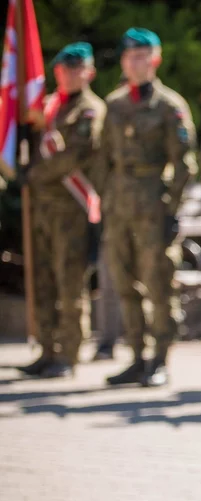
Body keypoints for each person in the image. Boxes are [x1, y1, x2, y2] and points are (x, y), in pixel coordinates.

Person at [96, 28, 197, 388]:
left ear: (155, 60)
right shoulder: (114, 105)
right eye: (130, 57)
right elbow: (101, 157)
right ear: (124, 62)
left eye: (142, 56)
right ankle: (136, 356)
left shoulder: (169, 106)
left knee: (158, 283)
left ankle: (160, 358)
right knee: (123, 281)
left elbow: (184, 164)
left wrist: (171, 207)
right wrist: (104, 198)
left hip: (153, 205)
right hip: (119, 205)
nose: (135, 63)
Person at [19, 42, 105, 379]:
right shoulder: (49, 107)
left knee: (69, 283)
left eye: (76, 68)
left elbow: (76, 155)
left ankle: (68, 354)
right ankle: (46, 348)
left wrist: (36, 174)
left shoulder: (89, 110)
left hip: (70, 210)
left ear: (89, 72)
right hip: (42, 209)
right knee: (43, 280)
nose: (69, 74)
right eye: (63, 69)